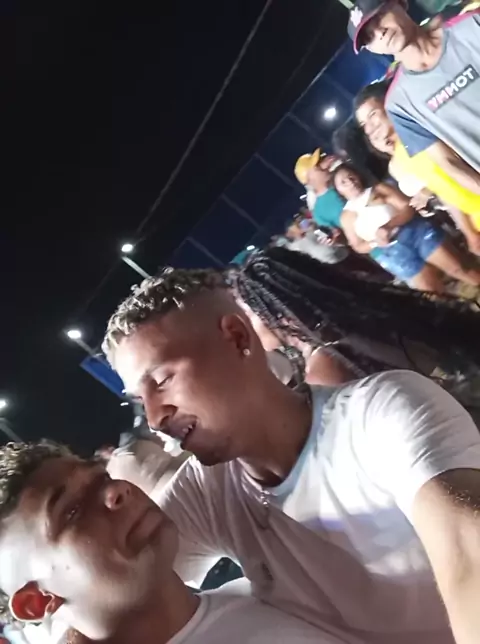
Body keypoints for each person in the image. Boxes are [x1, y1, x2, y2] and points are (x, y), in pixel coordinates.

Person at [102, 269, 480, 644]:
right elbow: (111, 602)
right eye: (139, 400)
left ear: (236, 338)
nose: (154, 418)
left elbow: (468, 551)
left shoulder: (379, 414)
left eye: (162, 380)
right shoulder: (206, 493)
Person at [0, 441, 345, 644]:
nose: (116, 491)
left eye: (102, 478)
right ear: (36, 601)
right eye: (72, 511)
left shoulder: (274, 591)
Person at [226, 245, 480, 384]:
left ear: (278, 315)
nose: (245, 328)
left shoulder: (325, 373)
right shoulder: (369, 309)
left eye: (246, 314)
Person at [347, 0, 480, 187]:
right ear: (370, 49)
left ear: (400, 4)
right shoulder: (398, 104)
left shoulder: (472, 26)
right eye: (369, 37)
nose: (380, 33)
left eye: (378, 17)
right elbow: (449, 162)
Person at [354, 80, 480, 248]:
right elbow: (446, 190)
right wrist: (469, 232)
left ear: (389, 104)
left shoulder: (424, 130)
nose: (369, 129)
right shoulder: (403, 153)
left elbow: (455, 166)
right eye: (364, 125)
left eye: (372, 115)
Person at [333, 163, 480, 292]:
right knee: (431, 290)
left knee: (457, 268)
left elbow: (407, 207)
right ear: (338, 190)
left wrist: (389, 226)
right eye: (343, 182)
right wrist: (375, 242)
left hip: (414, 232)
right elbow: (357, 245)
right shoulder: (346, 216)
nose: (350, 182)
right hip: (393, 253)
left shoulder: (378, 189)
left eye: (351, 177)